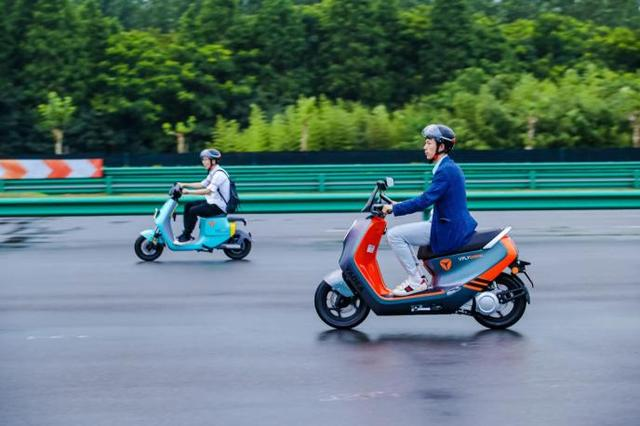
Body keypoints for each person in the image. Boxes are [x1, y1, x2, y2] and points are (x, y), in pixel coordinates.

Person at [381, 124, 477, 296]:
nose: (424, 147)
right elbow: (428, 197)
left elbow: (425, 200)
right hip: (445, 224)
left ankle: (417, 280)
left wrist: (394, 210)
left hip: (446, 229)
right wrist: (396, 205)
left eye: (428, 143)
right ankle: (418, 279)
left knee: (395, 235)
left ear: (440, 146)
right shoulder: (447, 167)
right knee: (402, 233)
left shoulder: (445, 171)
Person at [175, 148, 231, 243]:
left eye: (206, 160)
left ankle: (187, 236)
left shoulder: (219, 175)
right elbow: (202, 184)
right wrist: (183, 184)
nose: (203, 162)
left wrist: (189, 192)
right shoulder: (213, 172)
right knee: (188, 205)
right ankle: (186, 234)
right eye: (203, 160)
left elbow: (208, 191)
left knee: (193, 211)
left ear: (213, 161)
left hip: (219, 207)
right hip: (213, 202)